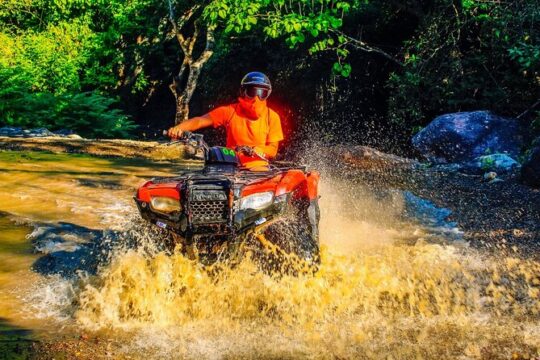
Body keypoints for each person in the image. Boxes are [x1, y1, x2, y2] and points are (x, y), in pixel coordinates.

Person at [167, 72, 284, 169]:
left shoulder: (272, 116)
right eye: (252, 92)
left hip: (258, 167)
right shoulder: (230, 111)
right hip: (229, 163)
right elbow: (200, 120)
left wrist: (259, 149)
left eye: (261, 93)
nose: (256, 98)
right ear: (243, 92)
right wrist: (179, 129)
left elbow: (273, 149)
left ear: (267, 95)